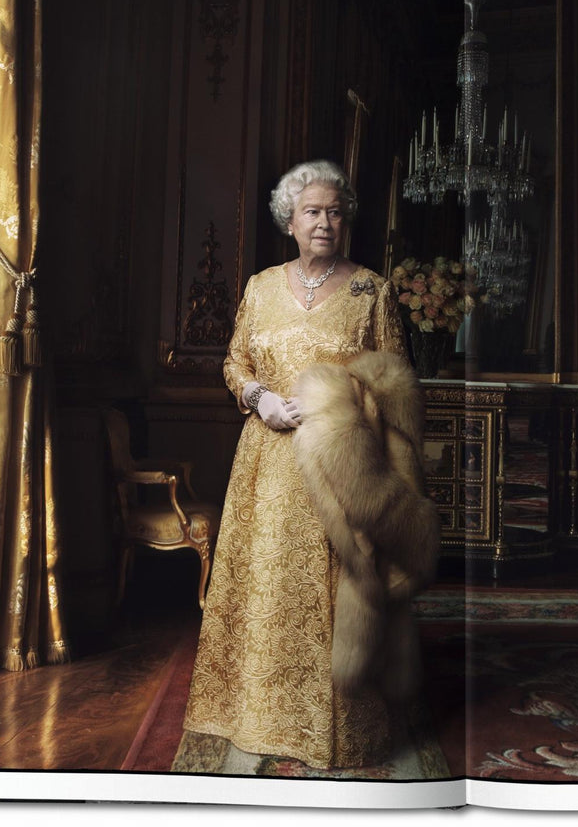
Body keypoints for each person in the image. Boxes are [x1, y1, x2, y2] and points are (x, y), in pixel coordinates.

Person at [181, 159, 412, 770]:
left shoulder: (372, 290)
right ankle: (254, 714)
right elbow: (234, 365)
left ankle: (335, 727)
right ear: (289, 220)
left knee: (335, 592)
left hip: (341, 466)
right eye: (312, 211)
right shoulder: (259, 288)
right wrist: (260, 398)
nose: (325, 223)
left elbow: (394, 384)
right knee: (262, 590)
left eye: (335, 212)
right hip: (266, 465)